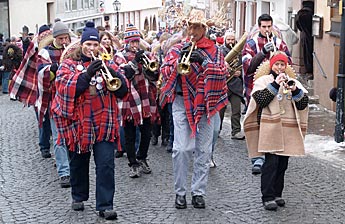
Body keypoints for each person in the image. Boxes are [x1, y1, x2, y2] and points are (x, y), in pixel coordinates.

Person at [51, 21, 128, 220]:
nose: (92, 48)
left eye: (95, 45)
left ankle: (105, 204)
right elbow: (65, 88)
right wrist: (86, 74)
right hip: (79, 124)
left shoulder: (107, 62)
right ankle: (78, 196)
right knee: (78, 162)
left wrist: (114, 74)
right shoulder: (68, 63)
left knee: (105, 164)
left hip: (103, 123)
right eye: (88, 45)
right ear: (82, 45)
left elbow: (122, 90)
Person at [159, 9, 228, 209]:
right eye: (190, 27)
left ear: (204, 29)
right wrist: (178, 61)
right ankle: (180, 192)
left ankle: (198, 192)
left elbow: (222, 73)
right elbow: (165, 71)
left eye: (197, 27)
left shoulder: (214, 50)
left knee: (204, 151)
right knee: (181, 149)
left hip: (207, 104)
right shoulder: (177, 48)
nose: (193, 31)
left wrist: (204, 61)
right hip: (182, 102)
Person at [243, 51, 309, 210]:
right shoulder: (263, 80)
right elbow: (260, 100)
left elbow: (303, 104)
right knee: (271, 163)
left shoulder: (292, 81)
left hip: (286, 129)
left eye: (282, 65)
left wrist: (295, 91)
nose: (280, 68)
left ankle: (278, 193)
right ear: (271, 65)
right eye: (277, 64)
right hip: (269, 127)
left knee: (282, 164)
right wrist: (274, 85)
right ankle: (268, 196)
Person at [242, 13, 291, 175]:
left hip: (278, 90)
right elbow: (247, 67)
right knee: (258, 122)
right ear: (259, 27)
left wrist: (279, 59)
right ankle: (257, 158)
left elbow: (289, 64)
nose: (267, 30)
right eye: (264, 27)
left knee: (273, 121)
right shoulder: (251, 43)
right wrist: (262, 53)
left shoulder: (280, 43)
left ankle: (273, 153)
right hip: (257, 88)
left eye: (269, 26)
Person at [117, 24, 159, 178]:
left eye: (136, 41)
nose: (134, 45)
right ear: (126, 42)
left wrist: (149, 67)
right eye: (132, 42)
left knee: (147, 132)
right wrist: (135, 61)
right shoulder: (119, 56)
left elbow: (155, 76)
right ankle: (133, 163)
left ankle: (142, 157)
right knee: (130, 134)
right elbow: (123, 74)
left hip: (145, 96)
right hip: (129, 100)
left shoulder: (147, 55)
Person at [36, 22, 71, 187]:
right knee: (58, 137)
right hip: (54, 99)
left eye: (66, 37)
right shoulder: (46, 52)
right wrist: (53, 69)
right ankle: (64, 172)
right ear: (55, 38)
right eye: (61, 38)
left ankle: (71, 165)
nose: (64, 41)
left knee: (71, 137)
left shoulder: (72, 49)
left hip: (71, 99)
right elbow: (41, 74)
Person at [220, 31, 245, 140]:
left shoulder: (240, 52)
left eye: (232, 39)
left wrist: (240, 72)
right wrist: (230, 71)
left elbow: (244, 66)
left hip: (236, 85)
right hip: (223, 84)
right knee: (220, 110)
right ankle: (217, 129)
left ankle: (236, 131)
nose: (230, 42)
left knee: (236, 111)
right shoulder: (220, 51)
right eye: (228, 39)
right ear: (225, 40)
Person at [295, 1, 314, 78]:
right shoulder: (310, 13)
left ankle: (308, 70)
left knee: (306, 54)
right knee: (310, 54)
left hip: (304, 35)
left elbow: (297, 25)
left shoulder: (300, 13)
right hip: (310, 36)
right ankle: (310, 71)